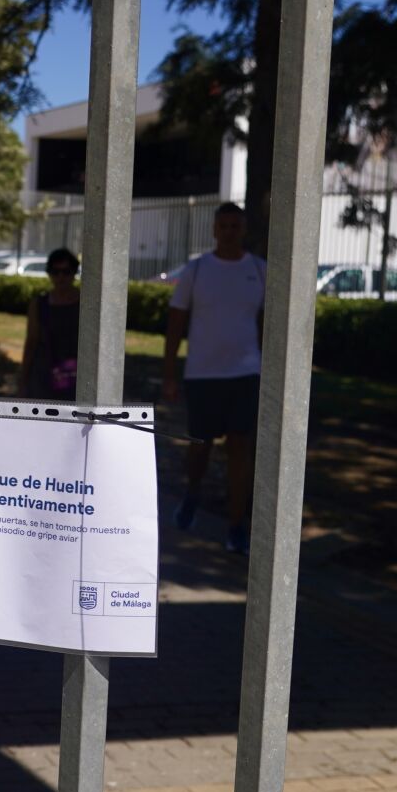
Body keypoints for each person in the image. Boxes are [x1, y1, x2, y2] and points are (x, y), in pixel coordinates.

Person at [162, 202, 267, 553]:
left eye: (235, 225)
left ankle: (236, 525)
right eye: (223, 225)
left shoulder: (259, 270)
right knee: (200, 447)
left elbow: (270, 323)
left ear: (244, 229)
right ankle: (193, 493)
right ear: (213, 230)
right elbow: (176, 322)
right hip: (203, 375)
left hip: (246, 374)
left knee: (239, 448)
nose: (229, 231)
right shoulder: (197, 270)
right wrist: (169, 374)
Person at [21, 248, 81, 400]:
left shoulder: (86, 304)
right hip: (44, 377)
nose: (61, 277)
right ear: (49, 273)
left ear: (74, 272)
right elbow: (31, 341)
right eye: (55, 272)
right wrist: (23, 379)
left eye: (66, 271)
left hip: (77, 378)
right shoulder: (39, 304)